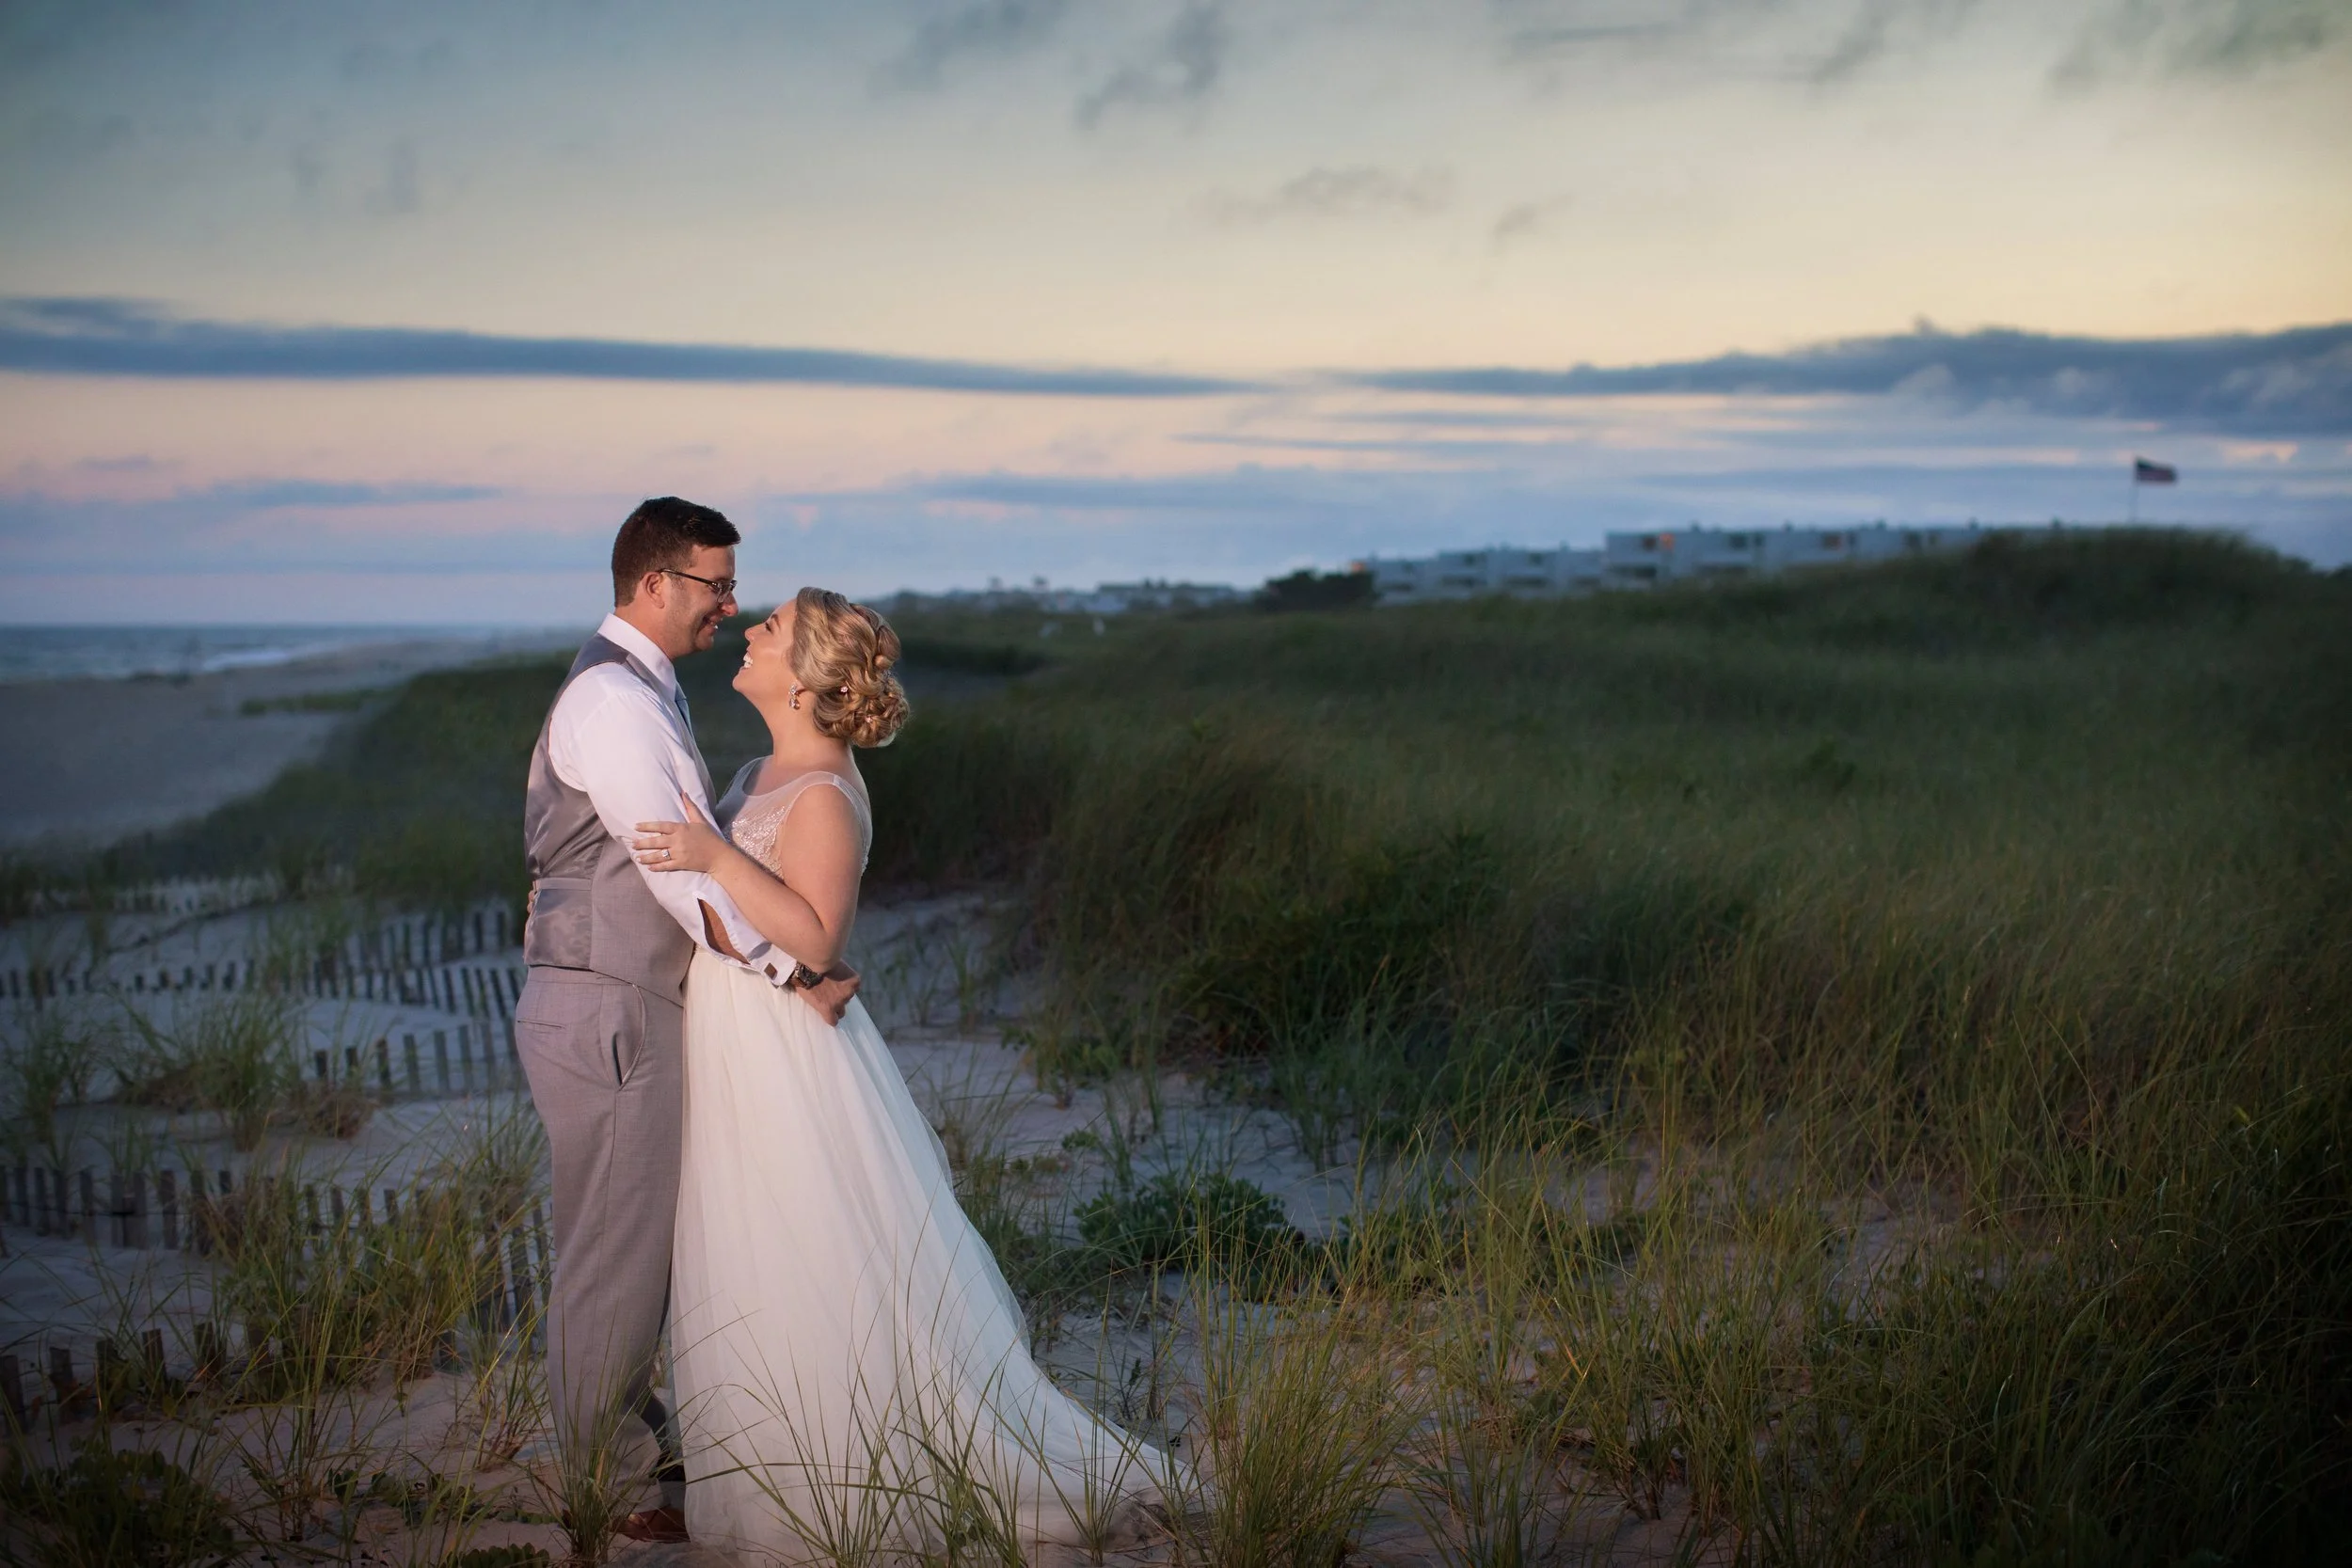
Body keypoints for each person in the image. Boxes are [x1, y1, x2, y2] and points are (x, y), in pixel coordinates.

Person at [632, 588, 1172, 1557]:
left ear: (802, 678)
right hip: (742, 1026)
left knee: (806, 1239)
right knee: (750, 1240)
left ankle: (848, 1466)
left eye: (769, 627)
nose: (749, 631)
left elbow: (813, 930)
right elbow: (740, 921)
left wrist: (718, 854)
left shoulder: (827, 793)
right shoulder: (760, 768)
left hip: (782, 1052)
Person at [513, 499, 857, 1548]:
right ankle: (598, 1482)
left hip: (617, 994)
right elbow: (670, 871)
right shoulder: (615, 701)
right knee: (616, 1250)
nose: (729, 604)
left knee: (631, 1244)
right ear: (654, 584)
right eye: (715, 584)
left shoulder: (637, 690)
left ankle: (634, 1443)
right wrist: (784, 967)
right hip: (611, 1000)